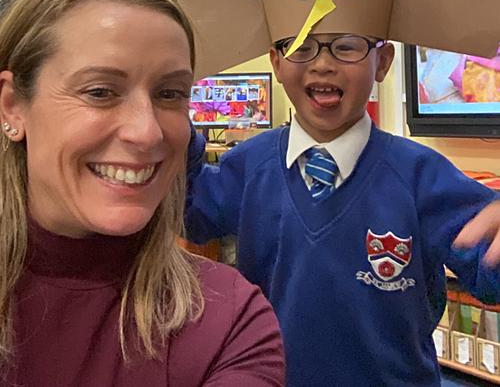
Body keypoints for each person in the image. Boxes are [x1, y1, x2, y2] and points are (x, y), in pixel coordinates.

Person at [0, 0, 284, 387]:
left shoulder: (228, 321)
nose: (147, 132)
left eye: (170, 94)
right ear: (12, 106)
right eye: (100, 91)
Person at [185, 31, 500, 386]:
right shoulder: (247, 166)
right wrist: (173, 125)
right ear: (276, 62)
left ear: (383, 62)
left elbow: (490, 268)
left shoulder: (422, 176)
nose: (322, 64)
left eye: (346, 47)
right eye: (301, 47)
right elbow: (186, 210)